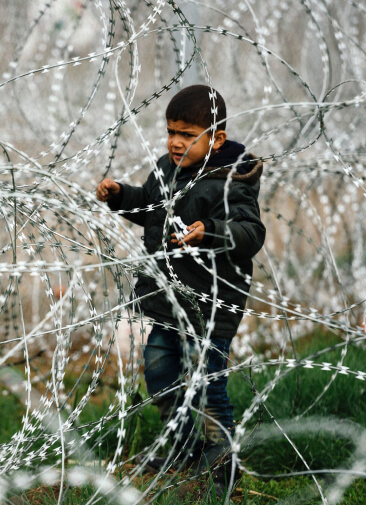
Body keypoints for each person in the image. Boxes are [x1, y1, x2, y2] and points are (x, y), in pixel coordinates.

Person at [96, 84, 266, 493]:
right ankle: (182, 444)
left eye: (188, 135)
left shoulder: (231, 181)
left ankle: (220, 464)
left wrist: (209, 232)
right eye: (171, 132)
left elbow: (251, 231)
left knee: (209, 385)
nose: (175, 142)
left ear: (216, 139)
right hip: (167, 300)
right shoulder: (165, 170)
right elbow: (152, 209)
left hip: (210, 305)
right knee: (159, 372)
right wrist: (121, 197)